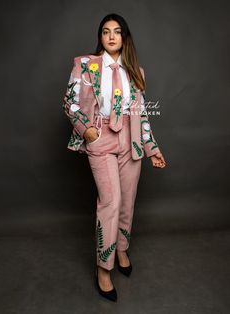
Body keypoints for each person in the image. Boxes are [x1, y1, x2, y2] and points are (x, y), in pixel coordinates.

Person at [62, 13, 166, 302]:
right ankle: (103, 267)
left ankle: (122, 247)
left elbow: (140, 113)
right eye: (106, 31)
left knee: (128, 200)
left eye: (117, 32)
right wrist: (88, 131)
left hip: (129, 140)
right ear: (101, 36)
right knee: (111, 202)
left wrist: (152, 148)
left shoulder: (136, 72)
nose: (111, 36)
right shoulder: (85, 66)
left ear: (124, 37)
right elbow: (70, 104)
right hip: (101, 138)